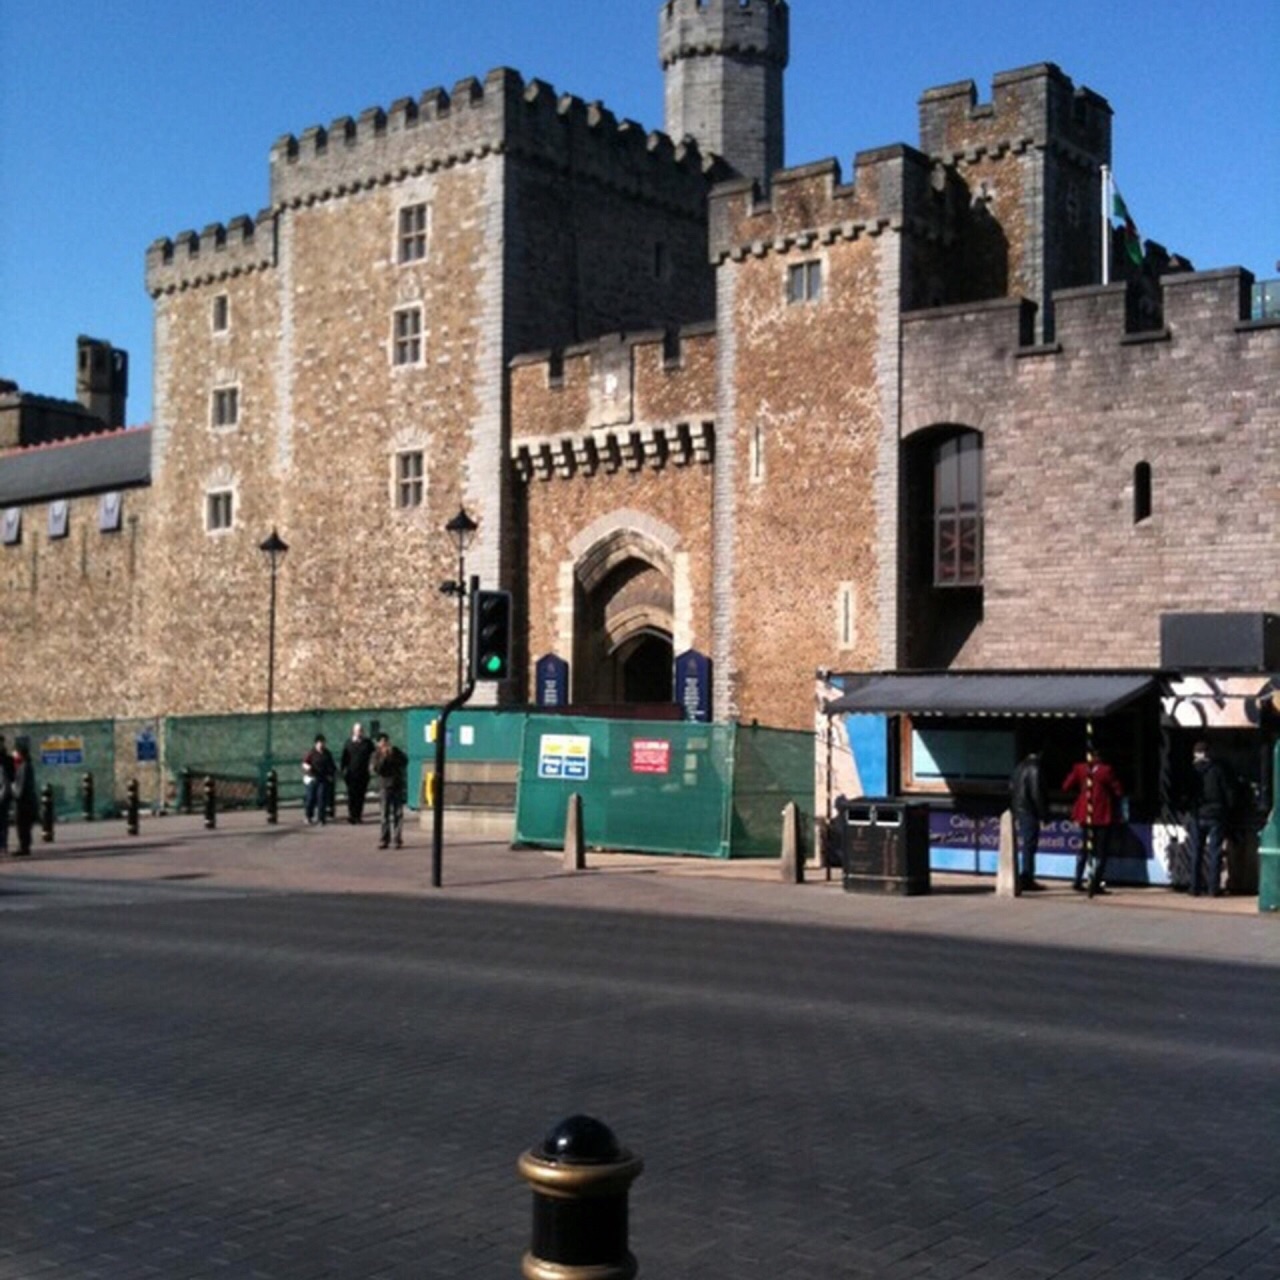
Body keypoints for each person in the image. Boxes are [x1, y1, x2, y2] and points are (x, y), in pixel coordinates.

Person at [1061, 748, 1124, 895]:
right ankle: (1095, 883)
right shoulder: (1105, 770)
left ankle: (1077, 880)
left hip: (1085, 814)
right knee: (1101, 851)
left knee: (1084, 849)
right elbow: (1118, 790)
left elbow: (1066, 786)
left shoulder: (1080, 768)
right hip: (1102, 816)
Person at [1187, 739, 1234, 897]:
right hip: (1215, 815)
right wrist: (1229, 808)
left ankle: (1194, 888)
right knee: (1215, 852)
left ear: (1195, 754)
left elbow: (1184, 794)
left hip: (1197, 814)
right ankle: (1213, 889)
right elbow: (1228, 793)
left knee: (1196, 851)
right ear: (1208, 753)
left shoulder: (1191, 771)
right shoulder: (1218, 770)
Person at [1009, 750, 1047, 891]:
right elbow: (1037, 793)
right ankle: (1027, 877)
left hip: (1019, 809)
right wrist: (1043, 814)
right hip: (1029, 811)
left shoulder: (1019, 767)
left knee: (1026, 844)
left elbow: (1011, 787)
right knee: (1030, 845)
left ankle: (1026, 875)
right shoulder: (1035, 769)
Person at [372, 732, 408, 850]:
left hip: (397, 785)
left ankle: (397, 839)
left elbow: (405, 761)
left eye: (386, 741)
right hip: (384, 787)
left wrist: (393, 755)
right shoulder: (376, 755)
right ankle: (384, 839)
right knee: (384, 815)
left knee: (398, 813)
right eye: (382, 742)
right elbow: (377, 769)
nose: (384, 744)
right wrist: (383, 757)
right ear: (378, 744)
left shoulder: (395, 751)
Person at [340, 722, 375, 824]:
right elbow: (344, 758)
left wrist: (372, 765)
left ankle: (358, 816)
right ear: (353, 731)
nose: (359, 732)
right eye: (357, 730)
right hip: (351, 774)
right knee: (351, 795)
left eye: (360, 730)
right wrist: (342, 770)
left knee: (361, 796)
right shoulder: (348, 743)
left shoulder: (367, 743)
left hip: (363, 774)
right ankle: (352, 816)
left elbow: (373, 754)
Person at [302, 734, 336, 825]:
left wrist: (331, 775)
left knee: (321, 798)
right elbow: (304, 763)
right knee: (310, 798)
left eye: (323, 743)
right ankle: (308, 816)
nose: (321, 745)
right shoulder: (311, 753)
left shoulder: (327, 754)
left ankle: (321, 818)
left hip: (323, 779)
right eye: (319, 743)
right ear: (316, 744)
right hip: (312, 778)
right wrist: (307, 767)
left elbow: (332, 766)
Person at [12, 737, 37, 857]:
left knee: (22, 824)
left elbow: (21, 784)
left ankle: (24, 846)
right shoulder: (25, 765)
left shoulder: (25, 766)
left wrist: (15, 793)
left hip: (23, 801)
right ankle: (24, 845)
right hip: (26, 800)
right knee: (23, 825)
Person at [0, 734, 13, 855]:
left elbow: (11, 778)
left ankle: (3, 845)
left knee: (3, 821)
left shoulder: (7, 760)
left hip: (4, 795)